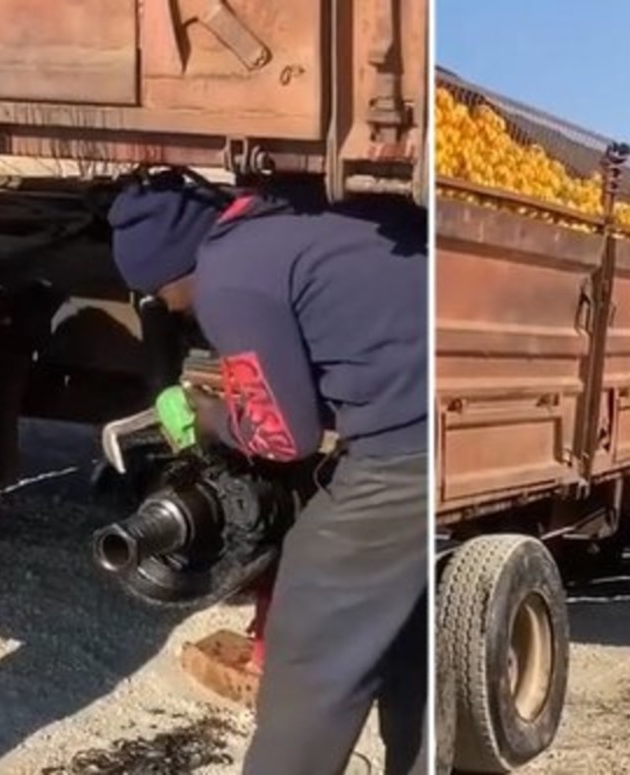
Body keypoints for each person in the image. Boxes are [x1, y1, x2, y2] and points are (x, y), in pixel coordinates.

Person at [106, 174, 428, 775]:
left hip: (403, 448)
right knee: (405, 635)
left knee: (312, 637)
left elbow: (286, 438)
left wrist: (212, 420)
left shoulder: (229, 279)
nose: (172, 311)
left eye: (158, 298)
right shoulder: (285, 213)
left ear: (171, 273)